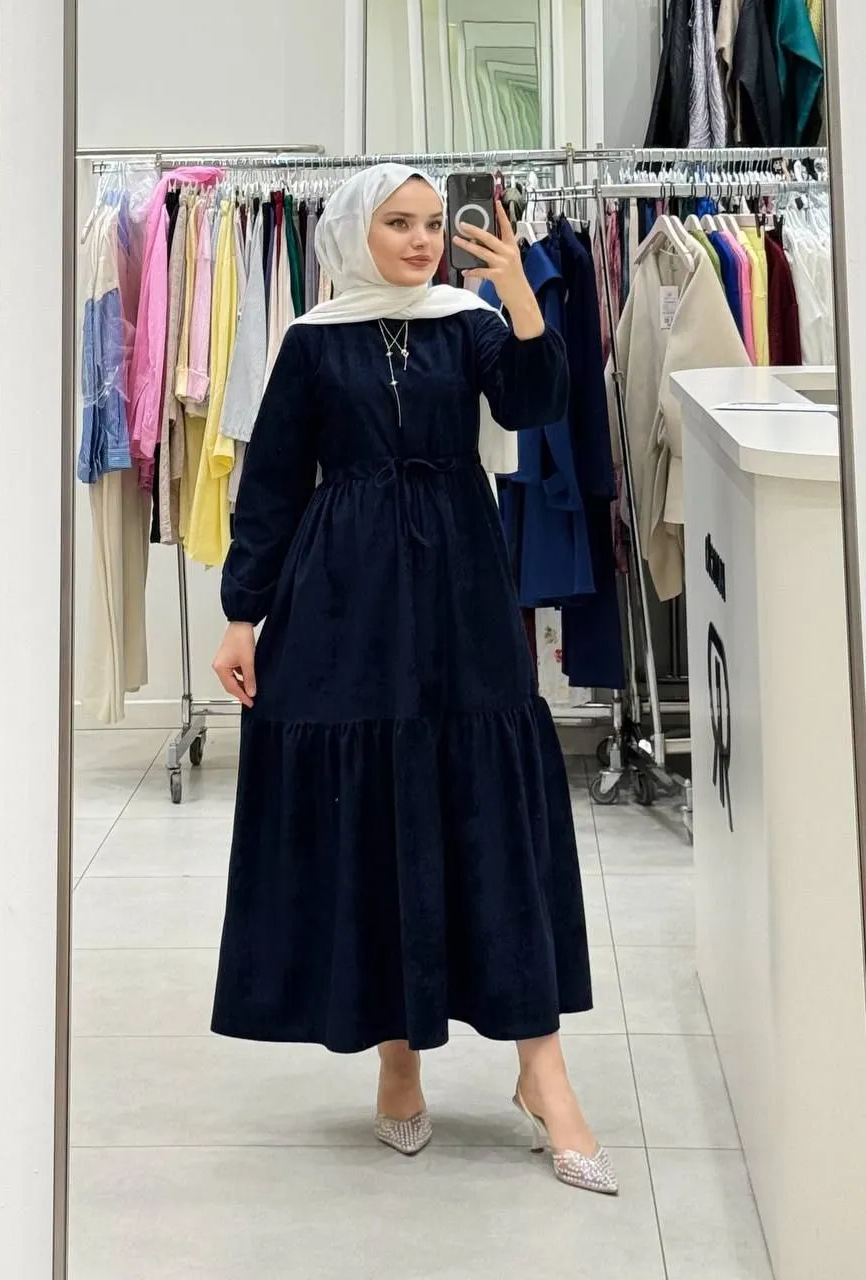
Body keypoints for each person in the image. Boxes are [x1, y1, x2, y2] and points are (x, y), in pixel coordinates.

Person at [210, 164, 617, 1196]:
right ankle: (399, 1057)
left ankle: (543, 1071)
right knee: (378, 805)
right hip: (342, 592)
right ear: (358, 232)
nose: (422, 240)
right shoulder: (313, 339)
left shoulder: (465, 323)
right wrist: (242, 613)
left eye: (433, 223)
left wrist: (517, 292)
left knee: (488, 805)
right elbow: (271, 485)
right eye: (399, 223)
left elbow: (536, 398)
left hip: (460, 587)